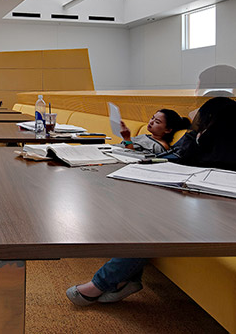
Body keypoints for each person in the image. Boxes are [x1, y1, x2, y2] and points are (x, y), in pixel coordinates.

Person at [66, 97, 236, 307]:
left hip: (217, 216)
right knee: (142, 215)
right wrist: (195, 132)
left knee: (152, 223)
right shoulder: (197, 142)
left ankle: (101, 283)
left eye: (203, 115)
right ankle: (125, 280)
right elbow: (178, 159)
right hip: (188, 203)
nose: (196, 116)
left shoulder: (225, 151)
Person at [118, 109, 189, 155]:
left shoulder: (159, 146)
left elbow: (133, 158)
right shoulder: (146, 136)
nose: (151, 122)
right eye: (152, 118)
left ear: (167, 130)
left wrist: (127, 138)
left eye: (157, 122)